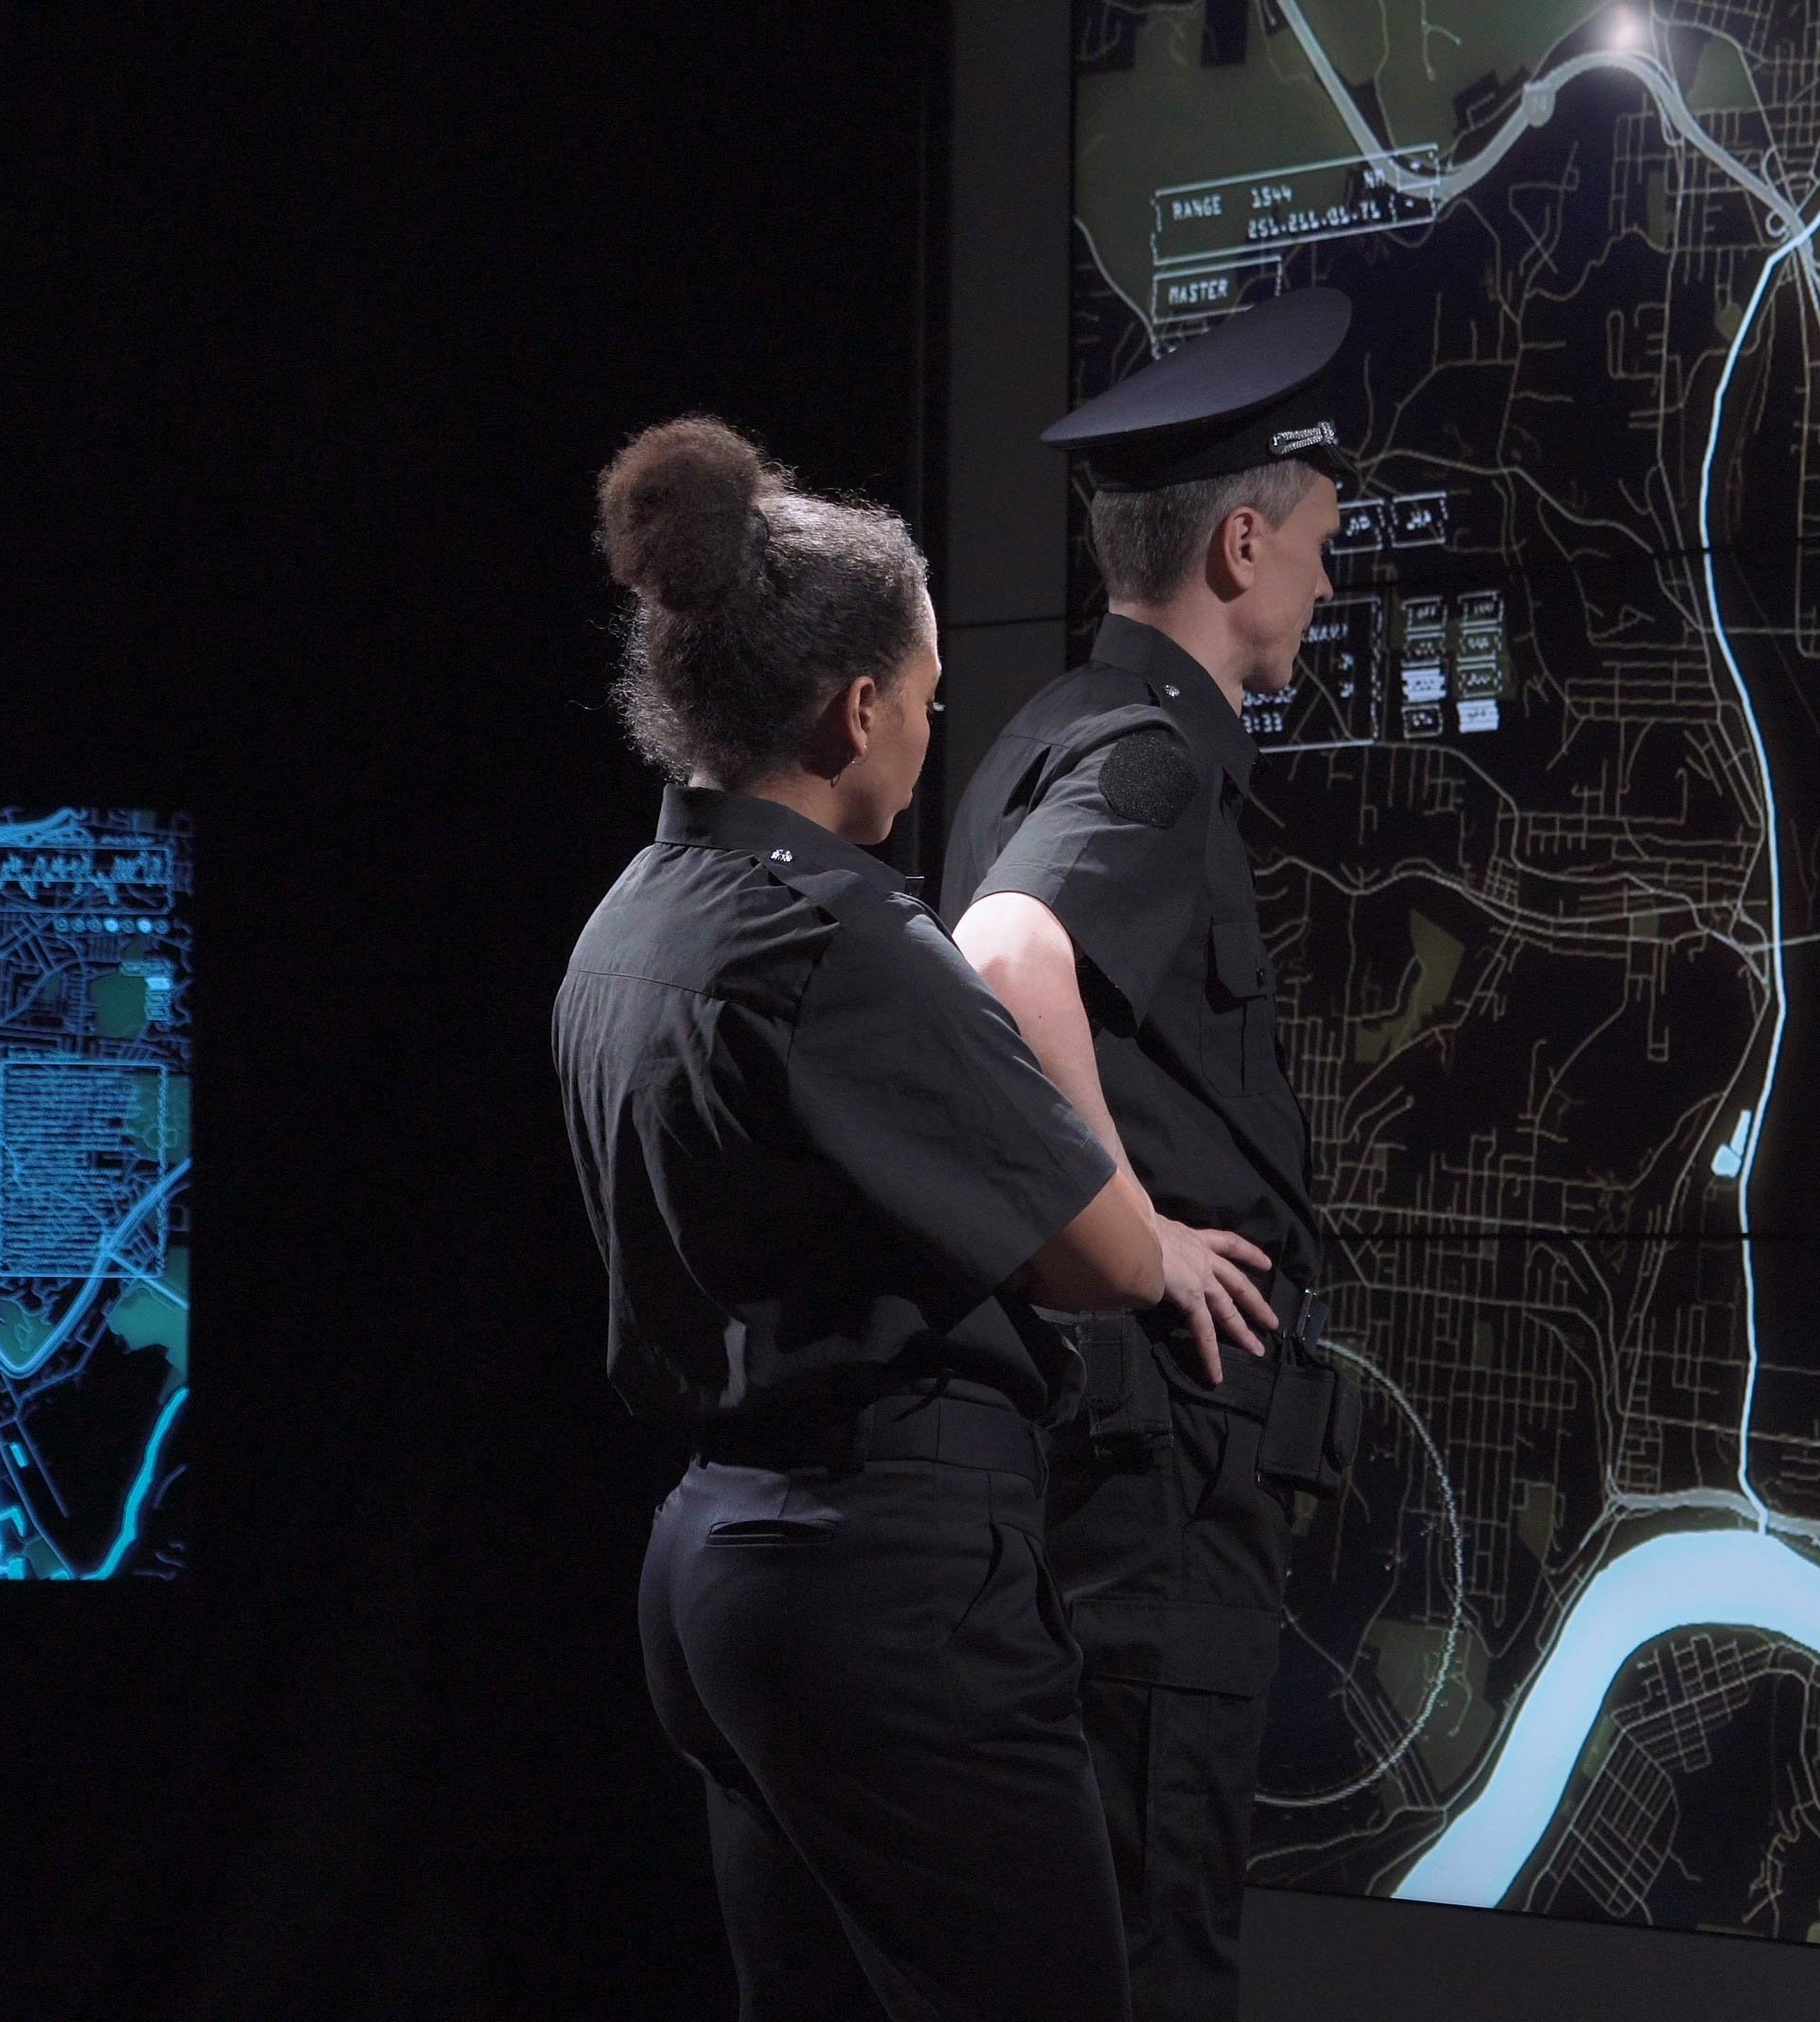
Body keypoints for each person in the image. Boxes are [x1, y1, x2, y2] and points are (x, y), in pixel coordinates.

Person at [554, 416, 1183, 2021]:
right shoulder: (836, 942)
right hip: (887, 1583)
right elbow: (1105, 1258)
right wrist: (1156, 1226)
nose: (931, 719)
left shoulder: (626, 924)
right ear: (855, 710)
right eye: (922, 692)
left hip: (715, 1567)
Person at [939, 286, 1368, 2022]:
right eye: (1322, 547)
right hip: (1155, 1470)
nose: (1332, 586)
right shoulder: (1149, 757)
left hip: (1099, 1459)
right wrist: (1142, 1240)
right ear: (1242, 546)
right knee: (1156, 1923)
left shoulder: (1047, 726)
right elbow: (1008, 957)